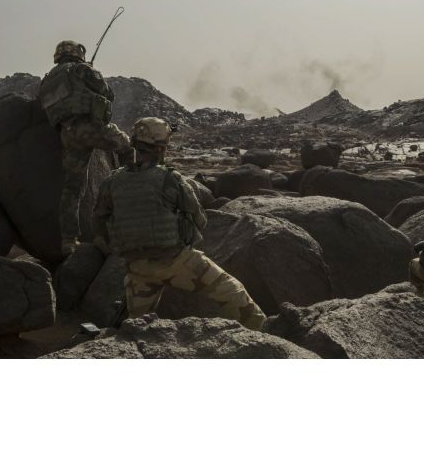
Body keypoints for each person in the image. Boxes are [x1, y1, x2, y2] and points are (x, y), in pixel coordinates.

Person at [92, 117, 267, 330]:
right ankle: (269, 339)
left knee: (135, 326)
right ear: (161, 148)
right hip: (176, 261)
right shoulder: (171, 179)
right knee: (234, 293)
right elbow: (199, 219)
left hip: (138, 268)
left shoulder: (112, 182)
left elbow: (99, 224)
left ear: (135, 144)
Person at [38, 40, 134, 256]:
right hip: (90, 127)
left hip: (68, 134)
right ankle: (135, 193)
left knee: (73, 189)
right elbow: (107, 93)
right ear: (77, 54)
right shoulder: (81, 69)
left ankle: (69, 241)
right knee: (128, 148)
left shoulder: (46, 81)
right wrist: (89, 70)